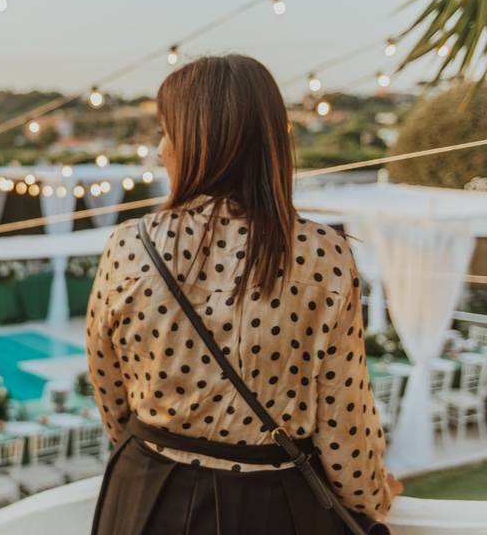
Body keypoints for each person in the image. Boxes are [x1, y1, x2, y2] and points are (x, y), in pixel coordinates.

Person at [86, 55, 402, 535]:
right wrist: (373, 493)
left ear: (197, 145)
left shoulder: (130, 247)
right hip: (269, 507)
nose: (161, 150)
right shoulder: (322, 255)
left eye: (167, 133)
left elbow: (112, 398)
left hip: (146, 492)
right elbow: (344, 420)